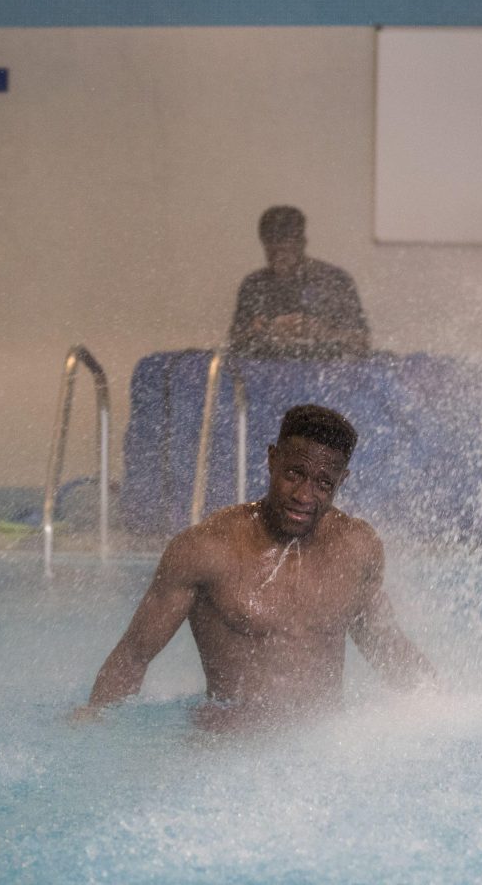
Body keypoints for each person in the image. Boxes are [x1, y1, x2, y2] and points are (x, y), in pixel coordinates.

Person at [74, 404, 433, 730]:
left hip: (324, 751)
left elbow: (385, 644)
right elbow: (134, 656)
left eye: (324, 483)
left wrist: (444, 709)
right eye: (295, 473)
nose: (304, 495)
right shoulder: (206, 550)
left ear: (342, 481)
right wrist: (91, 725)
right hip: (231, 752)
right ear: (272, 459)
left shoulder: (356, 548)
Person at [229, 205, 371, 359]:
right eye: (273, 252)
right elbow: (233, 342)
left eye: (286, 250)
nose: (280, 258)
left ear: (302, 243)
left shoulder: (334, 281)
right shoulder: (254, 284)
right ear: (264, 245)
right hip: (265, 375)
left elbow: (362, 342)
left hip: (324, 373)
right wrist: (258, 331)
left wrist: (322, 333)